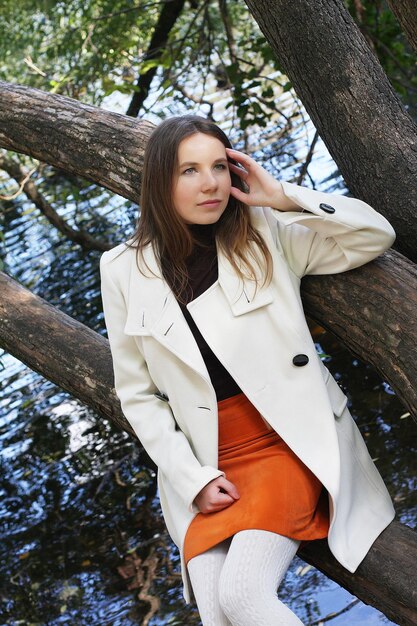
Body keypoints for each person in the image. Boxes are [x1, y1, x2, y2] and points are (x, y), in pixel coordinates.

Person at [100, 115, 396, 626]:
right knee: (215, 612)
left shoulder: (264, 232)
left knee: (242, 596)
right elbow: (138, 394)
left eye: (219, 166)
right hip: (206, 459)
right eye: (188, 170)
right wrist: (192, 479)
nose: (210, 182)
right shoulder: (123, 269)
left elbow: (374, 235)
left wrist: (281, 194)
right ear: (159, 181)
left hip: (289, 441)